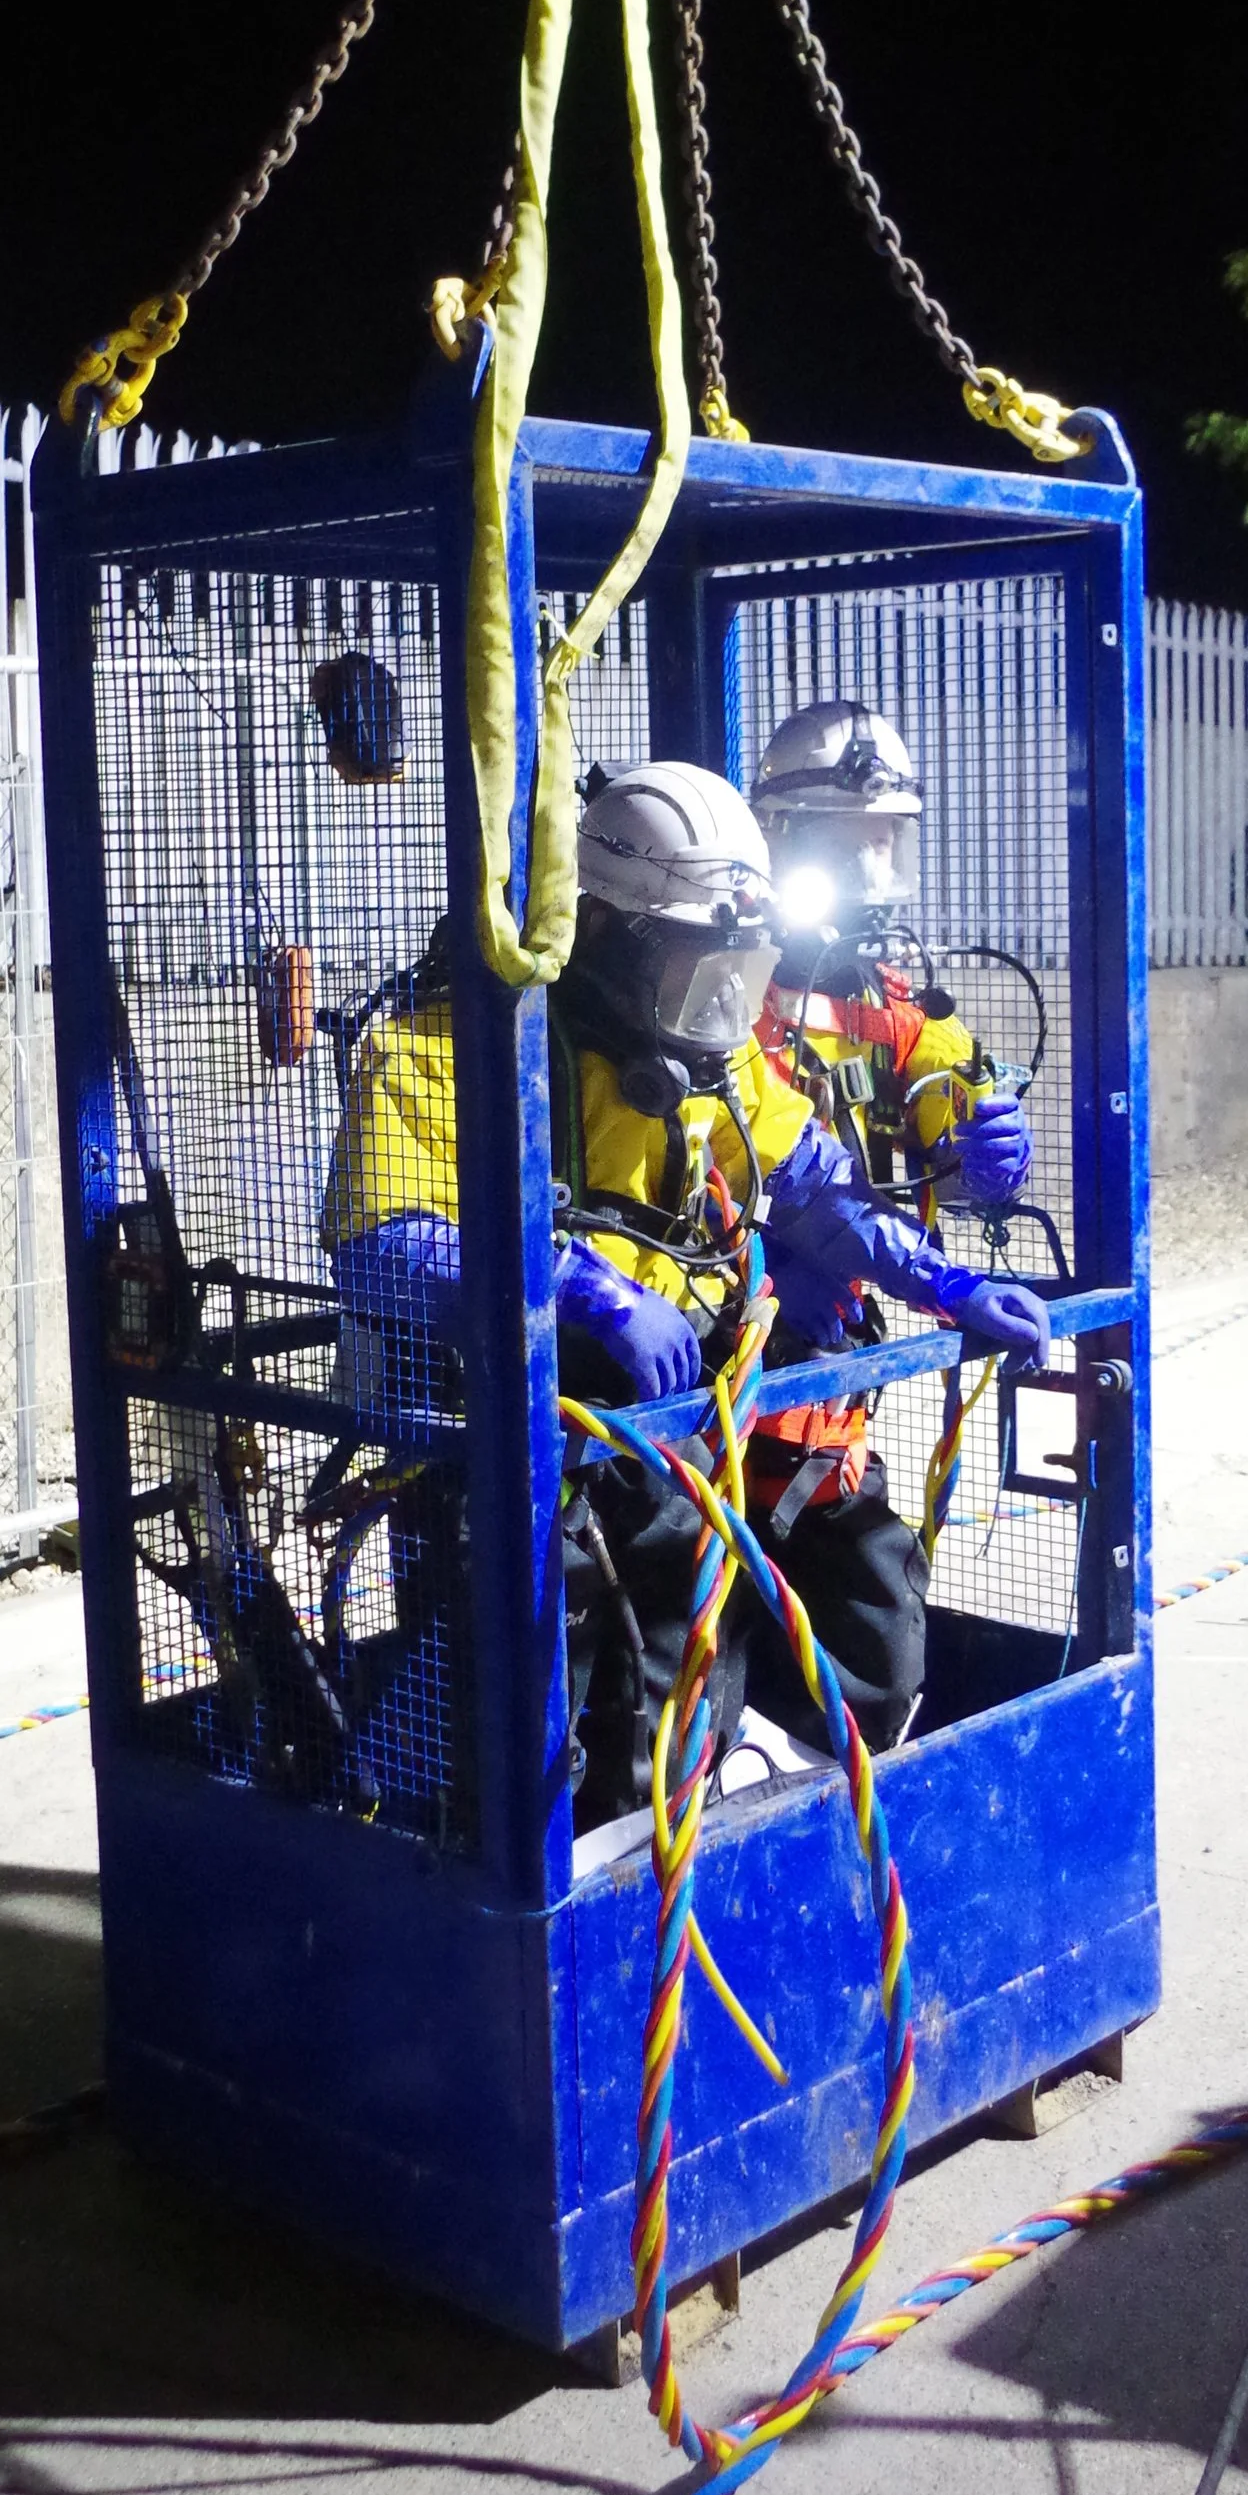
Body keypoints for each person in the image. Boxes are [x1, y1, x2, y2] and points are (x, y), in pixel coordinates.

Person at [321, 760, 1050, 1827]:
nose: (720, 1003)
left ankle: (680, 1868)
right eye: (693, 964)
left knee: (680, 1694)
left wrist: (948, 1282)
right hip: (512, 1445)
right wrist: (578, 1289)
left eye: (736, 970)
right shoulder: (444, 1051)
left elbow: (816, 1194)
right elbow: (379, 1245)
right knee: (542, 1723)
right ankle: (542, 1909)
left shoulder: (716, 1069)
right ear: (609, 937)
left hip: (664, 1441)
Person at [746, 698, 1040, 1567]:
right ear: (784, 838)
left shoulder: (897, 1005)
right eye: (849, 842)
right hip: (727, 1342)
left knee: (860, 1602)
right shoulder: (725, 989)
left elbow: (952, 1126)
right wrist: (775, 1265)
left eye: (885, 841)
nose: (871, 868)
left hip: (834, 1364)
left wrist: (989, 1160)